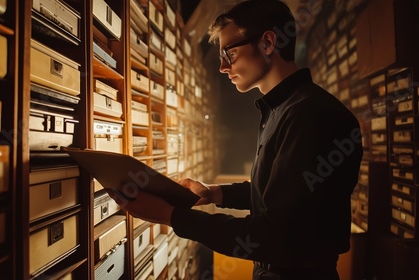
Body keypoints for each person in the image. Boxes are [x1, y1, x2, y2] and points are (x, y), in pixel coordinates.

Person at [108, 0, 363, 279]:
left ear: (267, 43)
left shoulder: (310, 115)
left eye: (229, 53)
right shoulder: (283, 109)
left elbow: (272, 236)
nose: (221, 67)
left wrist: (171, 216)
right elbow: (281, 196)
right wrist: (215, 193)